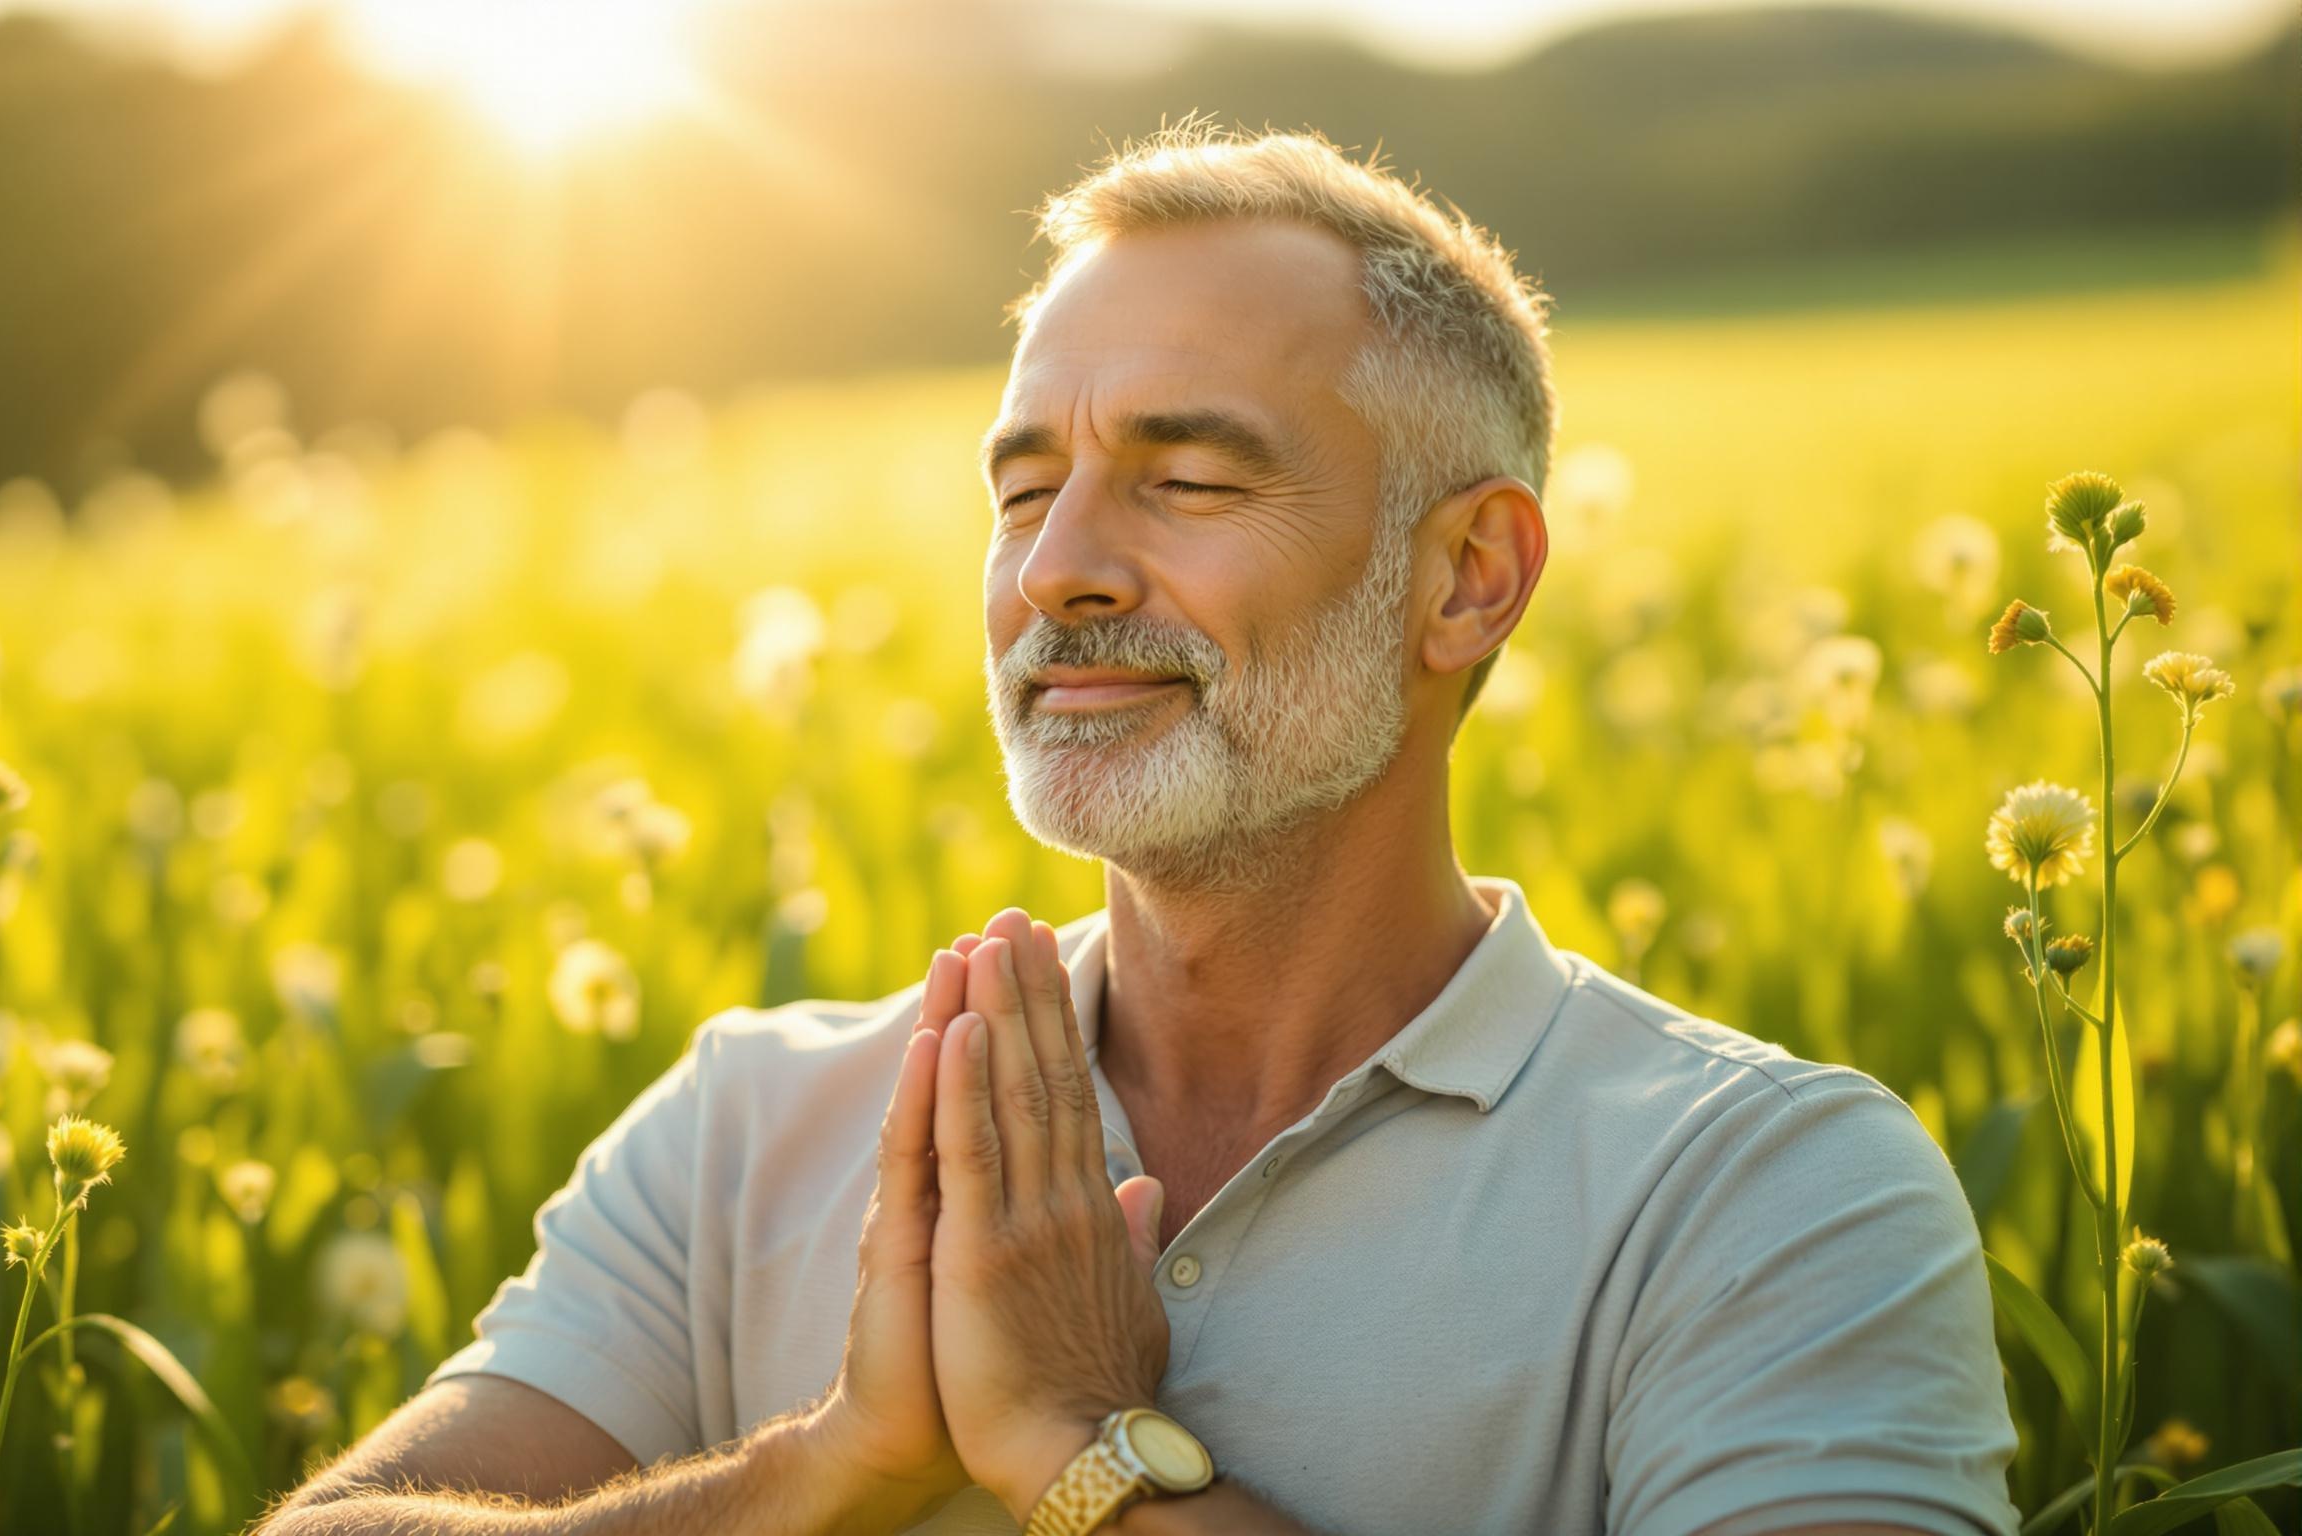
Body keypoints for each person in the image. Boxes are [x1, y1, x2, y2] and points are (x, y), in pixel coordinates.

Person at [256, 120, 2018, 1536]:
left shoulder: (1765, 1192)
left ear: (1468, 578)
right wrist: (831, 1468)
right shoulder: (746, 1123)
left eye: (1185, 481)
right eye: (1025, 489)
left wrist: (1082, 1456)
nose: (1055, 570)